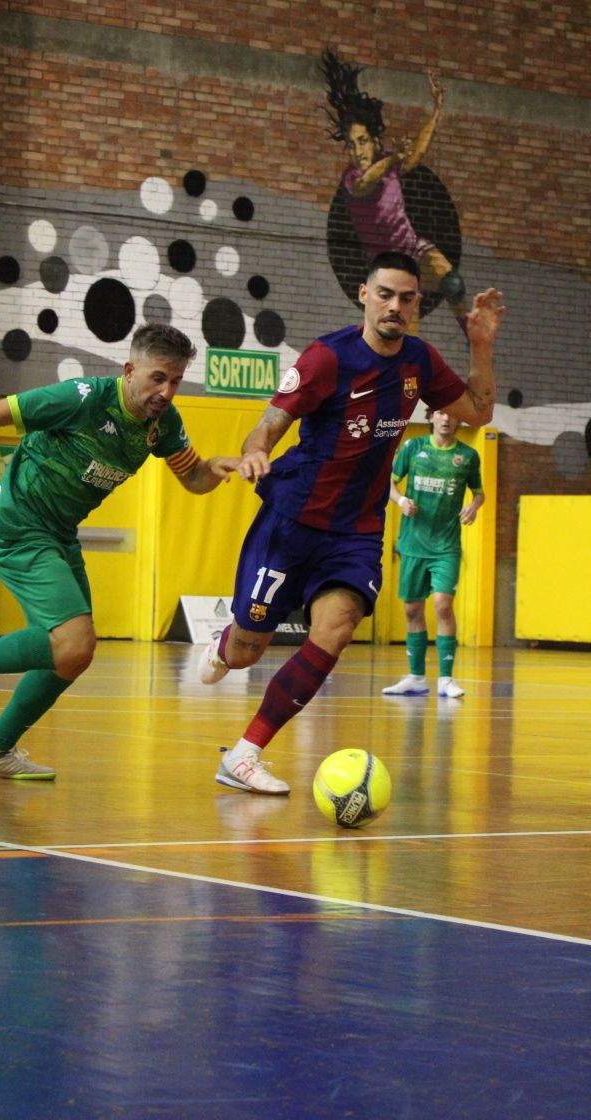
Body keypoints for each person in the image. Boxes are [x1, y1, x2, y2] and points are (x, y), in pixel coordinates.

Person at [198, 255, 504, 794]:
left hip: (356, 531)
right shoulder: (327, 357)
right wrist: (254, 453)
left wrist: (480, 345)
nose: (395, 306)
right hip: (292, 521)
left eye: (406, 298)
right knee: (248, 649)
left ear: (417, 304)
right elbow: (268, 425)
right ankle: (227, 644)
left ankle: (245, 754)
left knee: (335, 629)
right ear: (364, 294)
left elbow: (479, 411)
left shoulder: (420, 361)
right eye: (385, 294)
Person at [0, 324, 239, 780]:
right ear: (130, 371)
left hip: (59, 534)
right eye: (158, 378)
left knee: (74, 655)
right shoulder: (82, 398)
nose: (166, 392)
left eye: (176, 381)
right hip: (18, 527)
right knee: (73, 640)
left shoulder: (163, 424)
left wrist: (215, 468)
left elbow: (193, 478)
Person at [321, 50, 469, 326]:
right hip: (387, 265)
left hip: (414, 249)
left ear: (375, 141)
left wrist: (436, 111)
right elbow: (366, 183)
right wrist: (394, 158)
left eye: (362, 141)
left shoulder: (388, 164)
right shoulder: (352, 177)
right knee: (403, 327)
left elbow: (418, 152)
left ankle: (474, 339)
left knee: (454, 284)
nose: (358, 151)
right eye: (351, 145)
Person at [382, 409, 484, 700]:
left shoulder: (467, 456)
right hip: (413, 543)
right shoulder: (413, 448)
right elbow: (387, 482)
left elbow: (479, 493)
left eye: (452, 415)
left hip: (446, 546)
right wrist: (401, 500)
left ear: (459, 420)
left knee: (442, 605)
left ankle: (446, 679)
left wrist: (473, 507)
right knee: (412, 610)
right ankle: (416, 677)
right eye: (441, 413)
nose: (446, 419)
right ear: (431, 417)